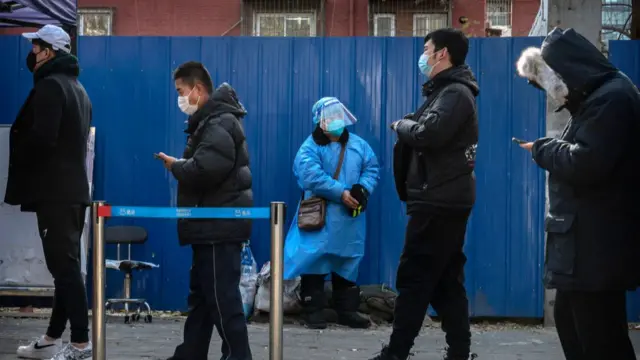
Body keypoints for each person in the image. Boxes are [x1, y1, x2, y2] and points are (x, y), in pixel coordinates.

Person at [516, 27, 640, 360]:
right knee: (574, 321)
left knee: (598, 335)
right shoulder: (599, 97)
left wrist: (543, 149)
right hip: (587, 241)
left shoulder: (612, 98)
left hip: (596, 241)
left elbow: (586, 162)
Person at [371, 28, 479, 360]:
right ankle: (459, 352)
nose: (424, 55)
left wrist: (401, 125)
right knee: (445, 279)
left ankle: (397, 352)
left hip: (438, 201)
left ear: (442, 54)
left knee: (415, 276)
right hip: (440, 197)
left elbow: (427, 133)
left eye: (427, 49)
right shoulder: (444, 93)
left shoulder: (456, 94)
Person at [4, 25, 93, 360]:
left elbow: (42, 139)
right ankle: (51, 339)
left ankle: (82, 344)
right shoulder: (78, 89)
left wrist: (21, 160)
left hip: (55, 192)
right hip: (71, 191)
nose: (33, 52)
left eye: (37, 46)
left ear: (49, 52)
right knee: (64, 267)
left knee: (66, 269)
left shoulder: (51, 87)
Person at [157, 61, 253, 360]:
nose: (180, 98)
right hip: (210, 225)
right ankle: (190, 354)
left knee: (222, 299)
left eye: (181, 91)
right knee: (202, 297)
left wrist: (177, 166)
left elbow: (205, 170)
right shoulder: (211, 122)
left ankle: (239, 356)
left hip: (218, 227)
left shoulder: (218, 122)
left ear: (197, 89)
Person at [283, 97, 380, 330]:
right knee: (314, 260)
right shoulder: (310, 147)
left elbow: (372, 168)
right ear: (320, 121)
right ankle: (313, 310)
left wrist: (362, 189)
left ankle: (347, 310)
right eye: (331, 116)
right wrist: (341, 192)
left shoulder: (359, 145)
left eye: (339, 115)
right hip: (320, 214)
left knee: (347, 261)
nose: (337, 120)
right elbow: (309, 175)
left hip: (349, 217)